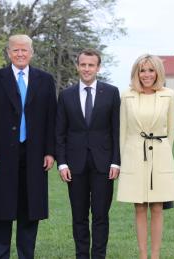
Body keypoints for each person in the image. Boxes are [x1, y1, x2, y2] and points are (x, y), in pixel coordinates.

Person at [0, 34, 56, 259]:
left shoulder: (45, 80)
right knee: (0, 209)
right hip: (0, 155)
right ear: (8, 52)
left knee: (29, 210)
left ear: (32, 52)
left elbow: (51, 118)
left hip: (34, 154)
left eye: (24, 50)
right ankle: (0, 255)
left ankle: (26, 255)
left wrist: (50, 151)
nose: (20, 54)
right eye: (15, 50)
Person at [56, 49, 120, 259]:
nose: (86, 69)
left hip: (104, 165)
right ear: (77, 66)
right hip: (75, 165)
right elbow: (60, 132)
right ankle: (81, 255)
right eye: (83, 65)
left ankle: (98, 256)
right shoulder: (66, 95)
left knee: (101, 216)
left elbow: (116, 130)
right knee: (79, 216)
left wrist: (116, 162)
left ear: (98, 68)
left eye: (91, 65)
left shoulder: (111, 92)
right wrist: (62, 163)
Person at [117, 54, 174, 259]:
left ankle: (155, 255)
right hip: (134, 156)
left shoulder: (168, 95)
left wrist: (161, 154)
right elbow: (123, 132)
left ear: (158, 72)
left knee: (158, 207)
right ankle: (142, 254)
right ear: (136, 72)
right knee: (140, 207)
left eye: (150, 70)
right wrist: (125, 160)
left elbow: (170, 132)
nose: (146, 74)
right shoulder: (127, 95)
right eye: (142, 70)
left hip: (160, 156)